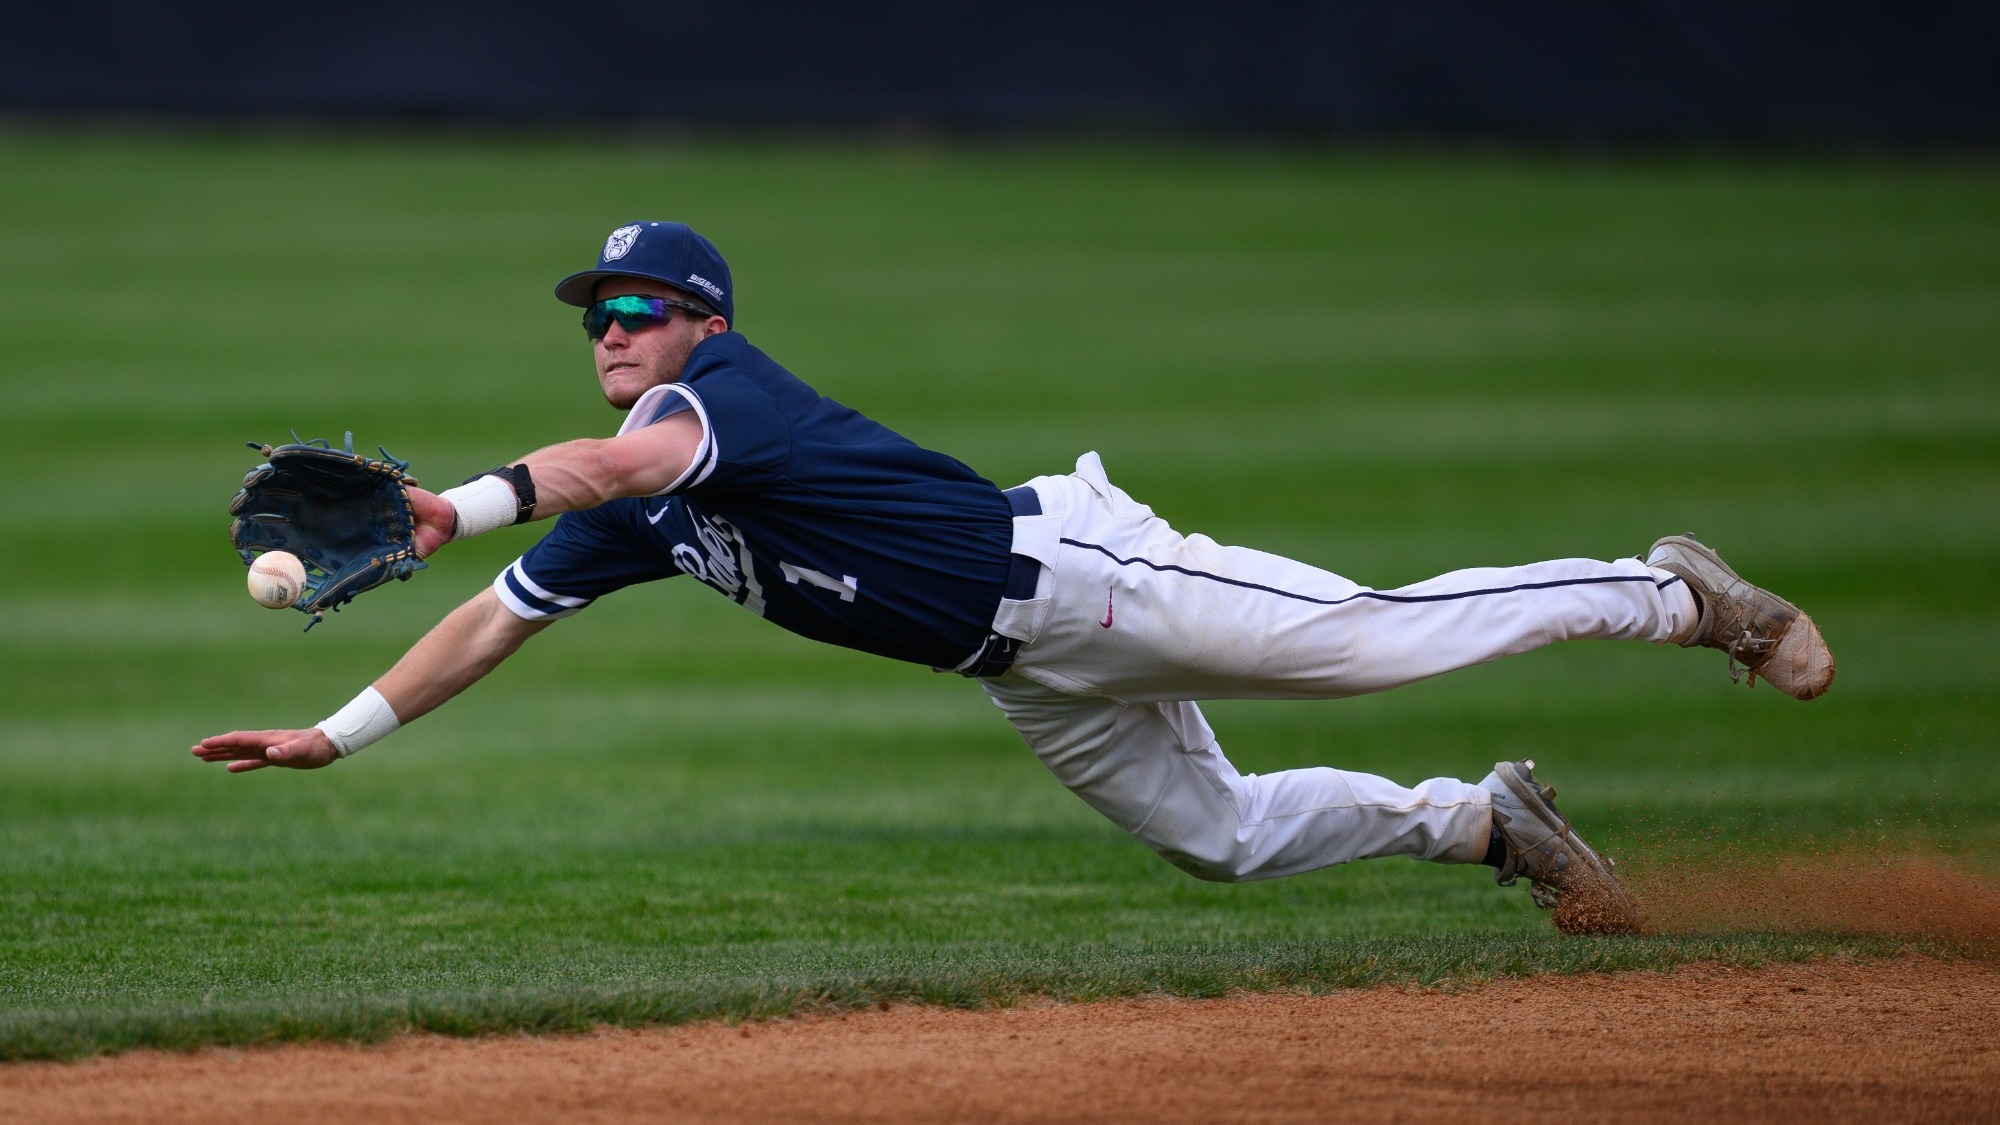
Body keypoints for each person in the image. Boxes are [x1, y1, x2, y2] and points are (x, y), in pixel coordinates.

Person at [194, 222, 1835, 930]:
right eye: (591, 316)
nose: (606, 330)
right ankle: (1485, 821)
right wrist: (339, 733)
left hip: (1089, 578)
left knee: (1361, 641)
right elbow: (503, 616)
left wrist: (452, 503)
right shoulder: (641, 491)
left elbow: (611, 466)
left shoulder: (718, 405)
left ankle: (1679, 592)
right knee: (1221, 839)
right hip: (1029, 670)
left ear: (701, 319)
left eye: (632, 308)